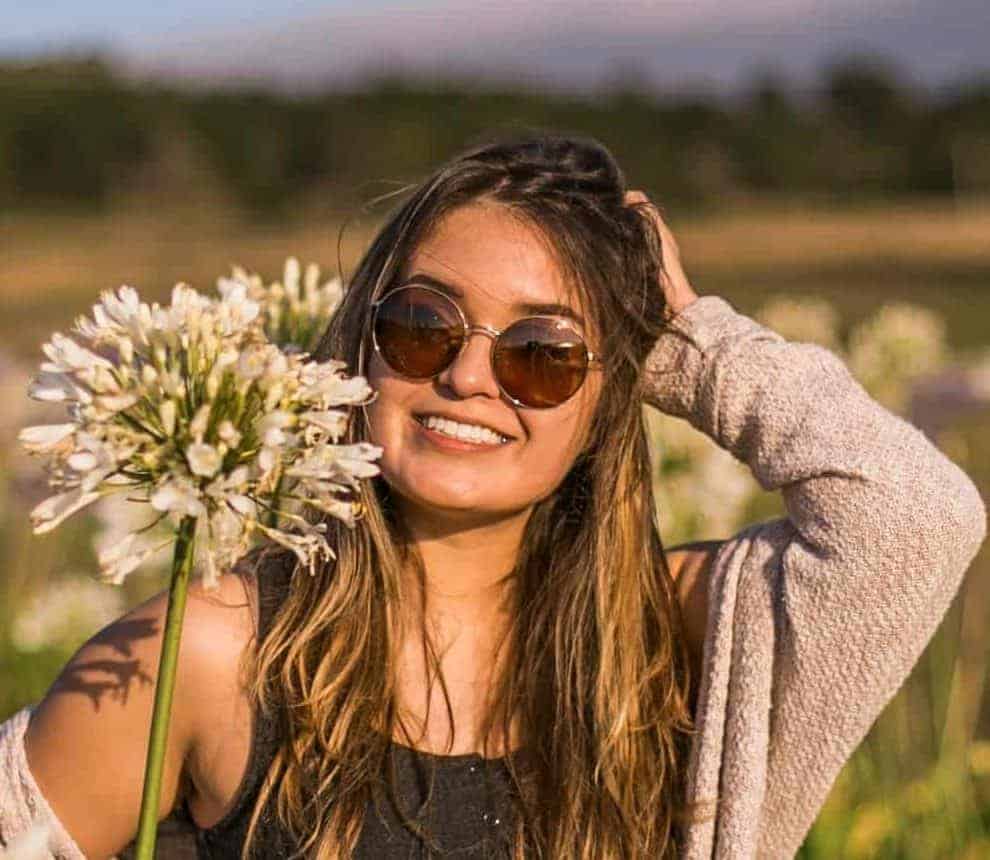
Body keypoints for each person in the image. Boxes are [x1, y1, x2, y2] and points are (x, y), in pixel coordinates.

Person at [1, 132, 986, 859]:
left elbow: (917, 515)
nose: (471, 376)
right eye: (425, 324)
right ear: (363, 343)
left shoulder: (671, 641)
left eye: (543, 353)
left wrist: (693, 342)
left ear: (613, 398)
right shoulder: (212, 654)